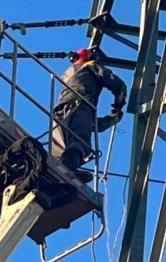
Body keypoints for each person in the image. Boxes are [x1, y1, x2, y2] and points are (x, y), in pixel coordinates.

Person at [51, 47, 127, 177]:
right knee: (80, 141)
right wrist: (119, 103)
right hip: (79, 105)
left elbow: (92, 125)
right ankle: (68, 170)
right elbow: (117, 84)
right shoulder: (90, 66)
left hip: (59, 114)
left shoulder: (69, 75)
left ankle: (59, 173)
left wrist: (111, 119)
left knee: (60, 151)